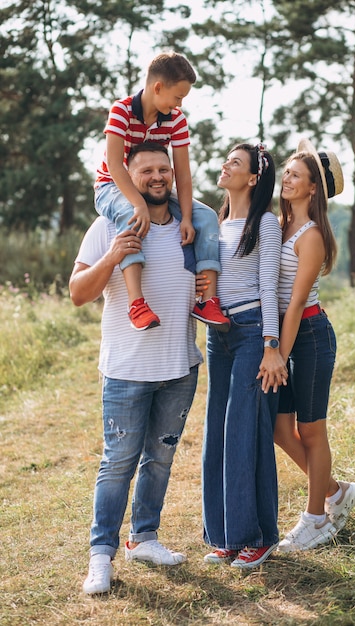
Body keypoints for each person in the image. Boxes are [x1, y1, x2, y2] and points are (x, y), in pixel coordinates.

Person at [69, 142, 203, 595]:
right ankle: (100, 556)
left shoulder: (191, 226)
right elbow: (77, 293)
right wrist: (111, 257)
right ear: (127, 175)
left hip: (180, 367)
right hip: (126, 371)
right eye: (146, 170)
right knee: (118, 464)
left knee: (160, 459)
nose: (158, 177)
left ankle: (143, 538)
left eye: (164, 168)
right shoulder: (108, 224)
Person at [199, 143, 288, 569]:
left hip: (253, 331)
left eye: (235, 162)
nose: (225, 166)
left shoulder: (265, 224)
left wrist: (272, 347)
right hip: (218, 335)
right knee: (218, 429)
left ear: (253, 178)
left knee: (244, 432)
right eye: (226, 160)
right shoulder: (215, 221)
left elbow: (268, 287)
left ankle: (257, 536)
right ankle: (223, 537)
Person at [95, 51, 229, 332]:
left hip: (152, 186)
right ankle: (136, 303)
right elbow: (116, 168)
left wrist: (188, 217)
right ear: (158, 88)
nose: (180, 103)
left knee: (206, 217)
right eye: (178, 96)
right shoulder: (121, 111)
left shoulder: (176, 119)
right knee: (129, 217)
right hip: (112, 185)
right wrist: (138, 205)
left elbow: (181, 172)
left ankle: (206, 300)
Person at [274, 138, 355, 552]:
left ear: (313, 189)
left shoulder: (310, 236)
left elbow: (294, 306)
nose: (286, 178)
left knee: (310, 430)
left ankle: (316, 519)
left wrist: (278, 353)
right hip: (286, 336)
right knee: (280, 429)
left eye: (296, 174)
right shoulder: (279, 225)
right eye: (286, 171)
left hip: (307, 336)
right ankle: (335, 490)